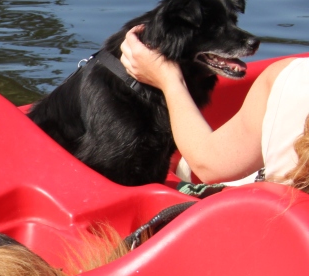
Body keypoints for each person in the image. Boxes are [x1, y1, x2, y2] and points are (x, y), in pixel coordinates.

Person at [119, 25, 309, 191]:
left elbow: (208, 166)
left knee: (185, 166)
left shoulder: (292, 79)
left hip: (278, 219)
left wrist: (168, 79)